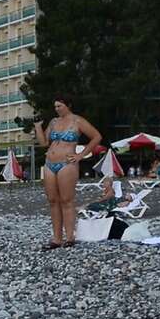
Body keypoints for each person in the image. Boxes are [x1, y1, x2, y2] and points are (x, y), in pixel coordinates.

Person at [33, 99, 103, 249]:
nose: (57, 109)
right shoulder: (53, 122)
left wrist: (81, 154)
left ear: (68, 105)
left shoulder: (78, 121)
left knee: (67, 200)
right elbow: (44, 143)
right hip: (50, 163)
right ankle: (56, 238)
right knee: (52, 200)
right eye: (55, 106)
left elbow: (96, 136)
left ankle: (70, 236)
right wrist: (38, 127)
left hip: (67, 163)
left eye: (60, 106)